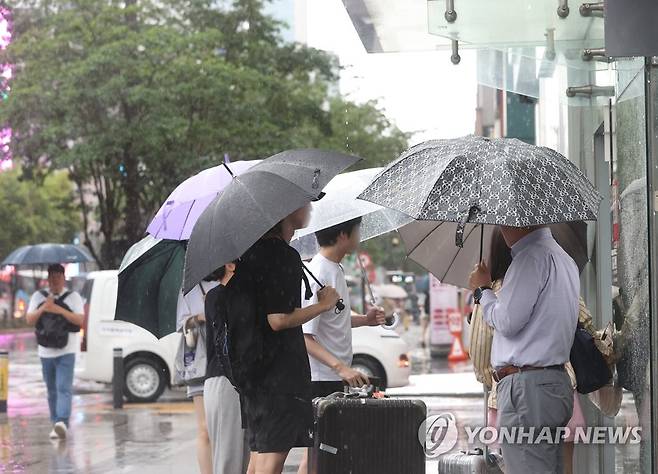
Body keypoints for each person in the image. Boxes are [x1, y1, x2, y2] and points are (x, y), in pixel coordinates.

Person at [470, 227, 589, 473]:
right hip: (552, 382)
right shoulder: (562, 259)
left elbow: (507, 321)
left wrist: (483, 291)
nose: (501, 227)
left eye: (503, 221)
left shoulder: (529, 258)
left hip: (527, 388)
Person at [236, 204, 340, 474]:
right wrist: (323, 306)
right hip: (278, 375)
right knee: (272, 457)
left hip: (253, 371)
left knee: (260, 454)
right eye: (304, 203)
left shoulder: (249, 254)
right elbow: (278, 319)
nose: (309, 208)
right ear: (285, 211)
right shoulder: (281, 256)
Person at [297, 218, 386, 474]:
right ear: (344, 234)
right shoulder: (318, 273)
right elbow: (305, 337)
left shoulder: (335, 269)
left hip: (332, 377)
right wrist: (340, 369)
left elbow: (336, 318)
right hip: (320, 378)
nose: (361, 234)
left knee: (323, 453)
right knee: (318, 454)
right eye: (358, 229)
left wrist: (365, 320)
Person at [25, 264, 84, 440]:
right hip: (45, 352)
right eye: (52, 277)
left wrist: (58, 309)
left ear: (63, 278)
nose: (55, 280)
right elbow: (29, 319)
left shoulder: (73, 297)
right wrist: (45, 306)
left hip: (67, 350)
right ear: (48, 278)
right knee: (52, 390)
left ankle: (62, 422)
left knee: (63, 387)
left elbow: (80, 320)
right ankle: (56, 423)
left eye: (58, 277)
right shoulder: (38, 296)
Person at [203, 263, 251, 474]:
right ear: (230, 265)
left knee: (242, 458)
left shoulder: (241, 295)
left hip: (238, 381)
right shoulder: (217, 297)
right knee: (228, 459)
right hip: (224, 381)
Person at [177, 276, 219, 474]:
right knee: (205, 428)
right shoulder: (187, 286)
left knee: (226, 428)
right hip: (200, 361)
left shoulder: (226, 278)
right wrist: (200, 316)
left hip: (223, 360)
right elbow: (181, 325)